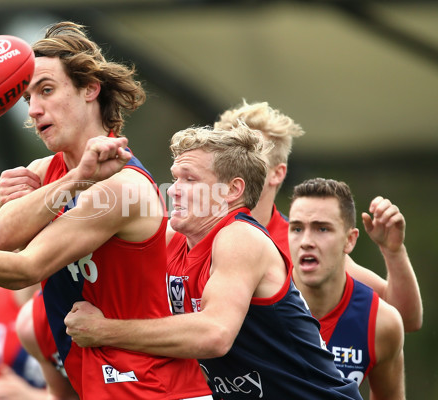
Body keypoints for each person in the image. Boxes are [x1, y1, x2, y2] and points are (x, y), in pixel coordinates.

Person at [0, 21, 212, 400]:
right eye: (27, 99)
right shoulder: (48, 171)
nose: (35, 110)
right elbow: (0, 237)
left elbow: (25, 269)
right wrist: (71, 181)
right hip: (107, 388)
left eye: (47, 90)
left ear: (90, 89)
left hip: (158, 391)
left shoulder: (124, 187)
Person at [64, 125, 363, 399]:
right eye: (175, 177)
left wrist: (102, 331)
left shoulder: (239, 236)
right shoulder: (176, 238)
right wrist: (69, 182)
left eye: (190, 179)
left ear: (232, 190)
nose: (174, 189)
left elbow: (214, 335)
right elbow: (85, 242)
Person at [213, 99, 423, 332]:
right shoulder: (189, 236)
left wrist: (393, 252)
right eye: (228, 158)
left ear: (277, 173)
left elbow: (404, 318)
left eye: (251, 156)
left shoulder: (302, 242)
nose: (237, 167)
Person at [288, 178, 405, 399]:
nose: (305, 241)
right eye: (296, 228)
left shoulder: (381, 322)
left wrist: (394, 252)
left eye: (322, 228)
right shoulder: (257, 304)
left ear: (349, 241)